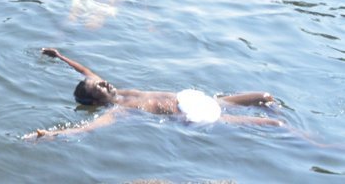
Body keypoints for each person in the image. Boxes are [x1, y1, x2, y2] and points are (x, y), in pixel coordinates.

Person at [24, 48, 283, 140]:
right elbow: (87, 128)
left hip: (201, 100)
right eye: (99, 87)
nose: (104, 84)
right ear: (94, 102)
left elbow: (85, 71)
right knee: (274, 124)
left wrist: (60, 56)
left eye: (101, 82)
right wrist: (53, 134)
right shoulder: (119, 112)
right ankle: (306, 142)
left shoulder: (117, 90)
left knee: (266, 96)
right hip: (193, 116)